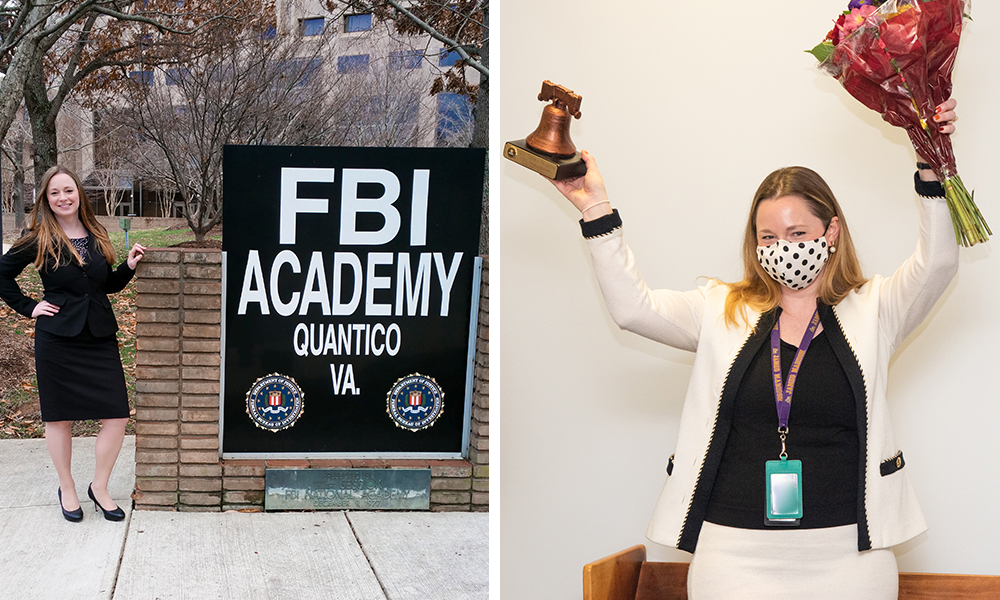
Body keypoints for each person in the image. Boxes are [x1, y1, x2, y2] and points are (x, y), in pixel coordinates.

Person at [549, 101, 960, 599]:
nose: (782, 246)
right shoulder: (722, 308)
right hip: (733, 555)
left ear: (830, 232)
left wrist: (930, 164)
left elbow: (937, 264)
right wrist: (596, 209)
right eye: (768, 236)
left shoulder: (876, 307)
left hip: (849, 557)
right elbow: (633, 310)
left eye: (797, 233)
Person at [0, 165, 146, 523]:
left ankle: (99, 486)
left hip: (99, 336)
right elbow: (1, 274)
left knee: (116, 415)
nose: (63, 197)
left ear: (78, 194)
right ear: (45, 199)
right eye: (54, 192)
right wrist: (29, 307)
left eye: (68, 190)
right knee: (59, 418)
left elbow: (103, 286)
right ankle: (66, 486)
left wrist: (126, 267)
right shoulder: (38, 237)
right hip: (58, 340)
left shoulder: (95, 232)